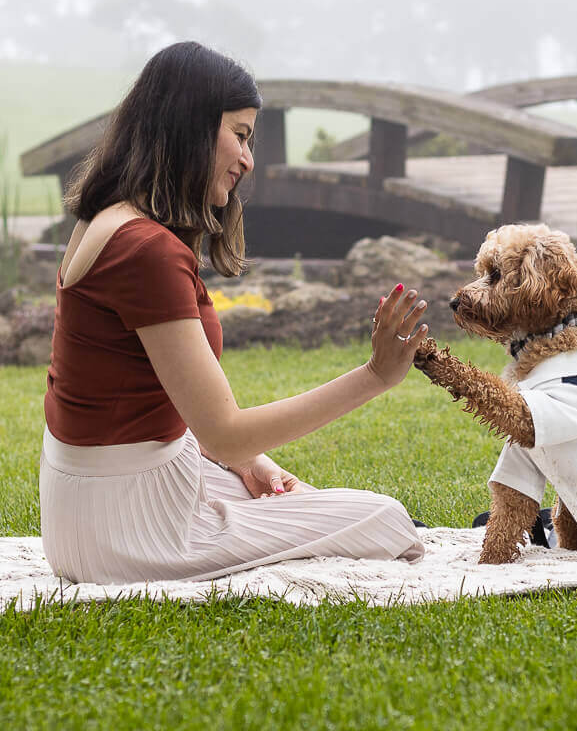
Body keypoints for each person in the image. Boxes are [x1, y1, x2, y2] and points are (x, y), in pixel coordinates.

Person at [39, 41, 430, 584]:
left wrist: (248, 461)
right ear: (190, 127)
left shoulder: (104, 220)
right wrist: (375, 376)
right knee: (387, 522)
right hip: (127, 529)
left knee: (296, 495)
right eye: (240, 135)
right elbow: (223, 433)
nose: (248, 159)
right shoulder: (145, 248)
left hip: (87, 508)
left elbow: (161, 413)